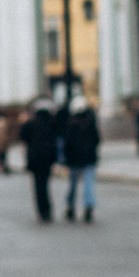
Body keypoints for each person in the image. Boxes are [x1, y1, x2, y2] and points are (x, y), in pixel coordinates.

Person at [61, 93, 100, 224]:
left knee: (73, 184)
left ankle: (71, 206)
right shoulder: (90, 122)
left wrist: (65, 159)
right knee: (88, 183)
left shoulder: (71, 123)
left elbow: (67, 143)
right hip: (88, 157)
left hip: (74, 159)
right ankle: (88, 205)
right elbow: (96, 139)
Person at [20, 99, 59, 223]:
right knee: (46, 184)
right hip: (47, 159)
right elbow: (55, 141)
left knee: (38, 186)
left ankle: (42, 211)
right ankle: (48, 209)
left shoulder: (31, 124)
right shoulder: (51, 124)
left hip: (35, 159)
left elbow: (23, 136)